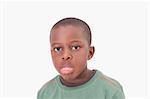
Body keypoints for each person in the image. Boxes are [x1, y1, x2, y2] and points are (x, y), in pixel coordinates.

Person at [37, 17, 125, 99]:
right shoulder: (45, 93)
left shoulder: (110, 90)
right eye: (58, 49)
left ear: (90, 53)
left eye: (75, 47)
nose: (65, 55)